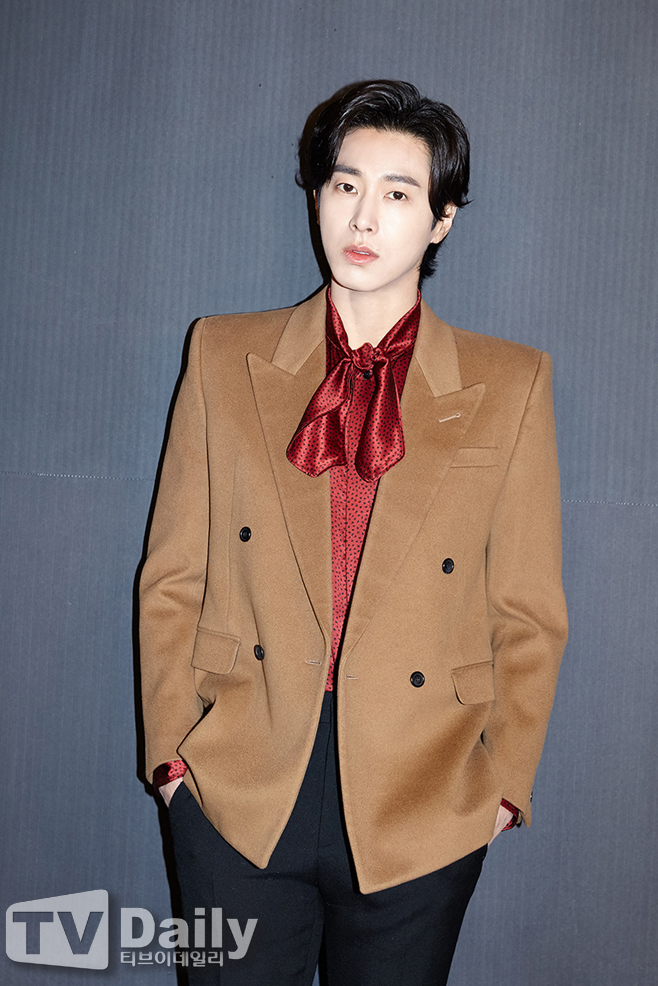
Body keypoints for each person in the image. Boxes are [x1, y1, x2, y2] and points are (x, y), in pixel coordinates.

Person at [139, 79, 568, 985]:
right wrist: (175, 758)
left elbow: (528, 612)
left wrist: (499, 787)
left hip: (420, 797)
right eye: (345, 185)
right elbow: (173, 575)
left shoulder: (512, 384)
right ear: (318, 196)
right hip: (239, 781)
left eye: (398, 193)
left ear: (442, 220)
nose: (363, 217)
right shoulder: (222, 354)